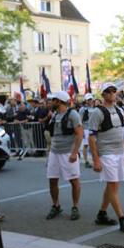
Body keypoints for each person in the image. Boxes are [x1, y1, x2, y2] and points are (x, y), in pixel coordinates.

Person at [88, 82, 124, 233]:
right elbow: (91, 137)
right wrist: (95, 159)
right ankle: (122, 218)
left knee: (112, 185)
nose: (112, 93)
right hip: (107, 153)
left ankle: (102, 213)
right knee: (113, 185)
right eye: (108, 91)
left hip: (119, 152)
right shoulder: (97, 112)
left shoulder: (119, 109)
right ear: (103, 95)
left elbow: (122, 134)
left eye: (114, 91)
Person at [45, 91, 83, 221]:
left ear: (59, 101)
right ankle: (56, 205)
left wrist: (74, 152)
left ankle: (75, 207)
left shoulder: (73, 114)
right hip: (54, 152)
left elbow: (79, 134)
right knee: (52, 179)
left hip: (68, 152)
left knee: (74, 180)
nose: (50, 102)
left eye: (53, 100)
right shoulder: (55, 115)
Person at [79, 94, 95, 167]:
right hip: (86, 129)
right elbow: (80, 120)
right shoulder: (83, 109)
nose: (90, 101)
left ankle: (95, 160)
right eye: (89, 99)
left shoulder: (94, 108)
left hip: (93, 129)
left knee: (94, 145)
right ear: (86, 100)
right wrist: (82, 131)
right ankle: (86, 161)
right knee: (86, 145)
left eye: (91, 99)